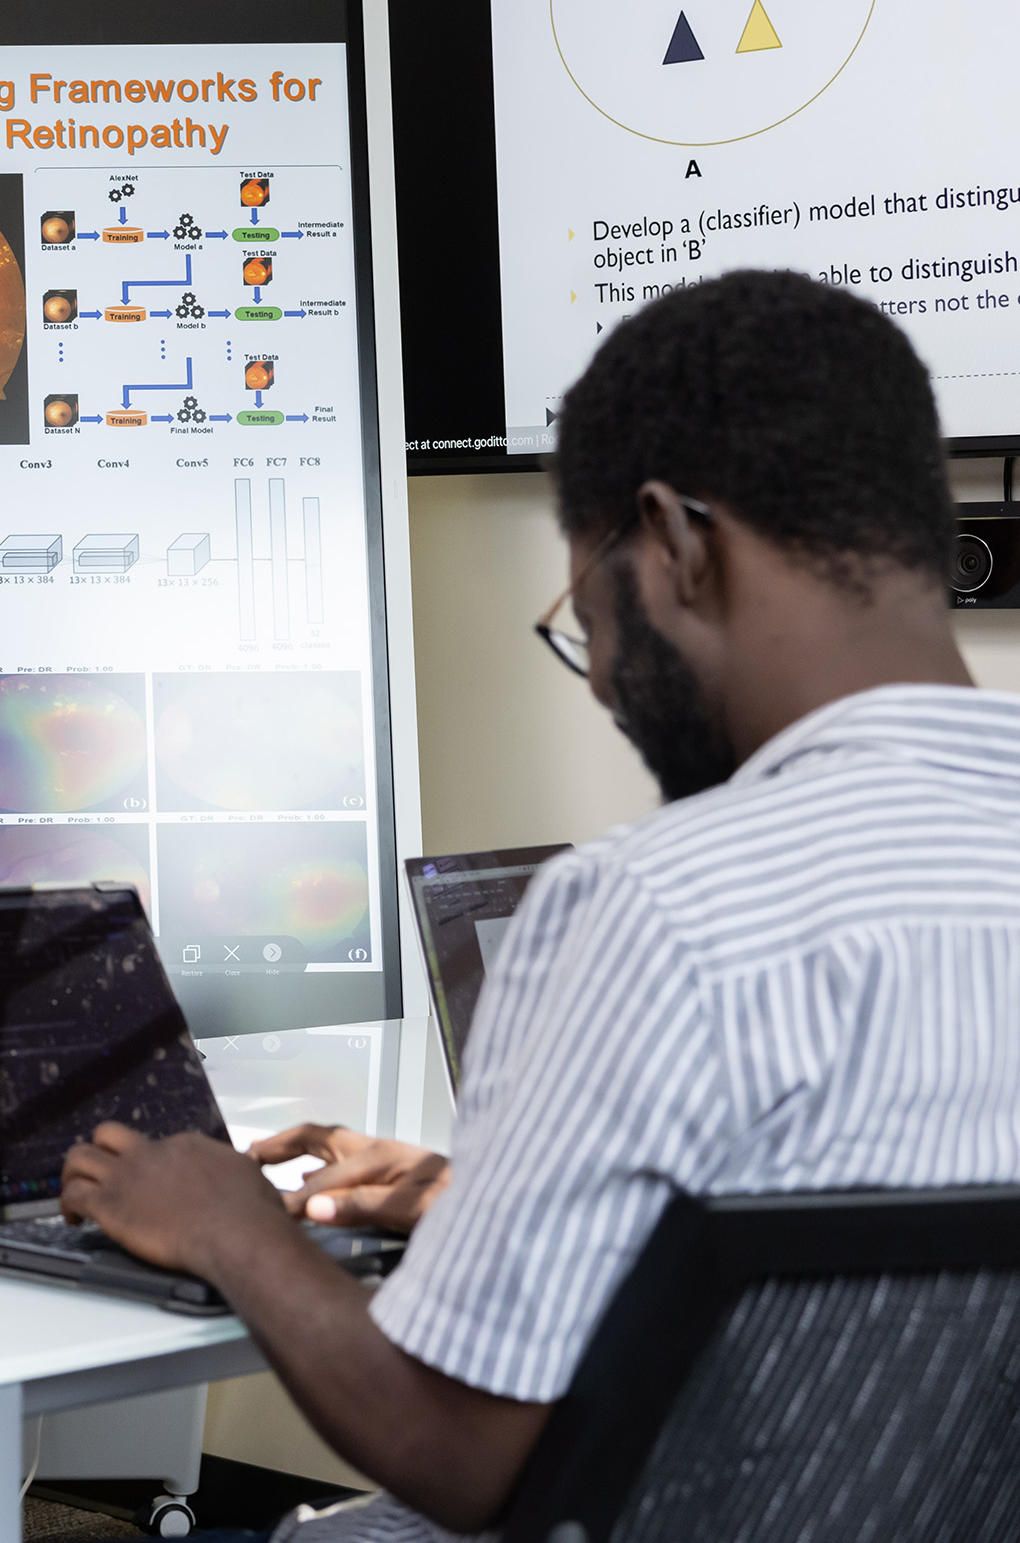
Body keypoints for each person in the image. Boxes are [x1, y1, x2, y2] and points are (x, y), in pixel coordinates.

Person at [58, 269, 1020, 1541]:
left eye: (587, 617)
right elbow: (859, 1274)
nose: (606, 681)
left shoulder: (652, 908)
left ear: (672, 543)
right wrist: (482, 1201)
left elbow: (464, 1449)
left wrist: (232, 1227)